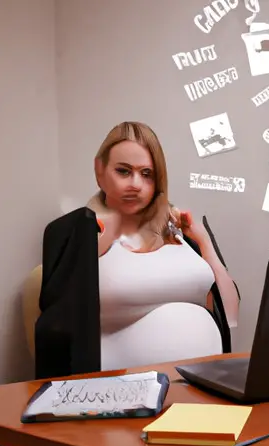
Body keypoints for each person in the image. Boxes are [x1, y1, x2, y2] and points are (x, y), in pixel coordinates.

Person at [86, 121, 240, 371]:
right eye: (123, 171)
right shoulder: (85, 234)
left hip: (203, 385)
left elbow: (231, 314)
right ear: (100, 172)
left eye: (147, 174)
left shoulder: (180, 231)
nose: (136, 184)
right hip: (119, 391)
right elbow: (62, 321)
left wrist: (204, 242)